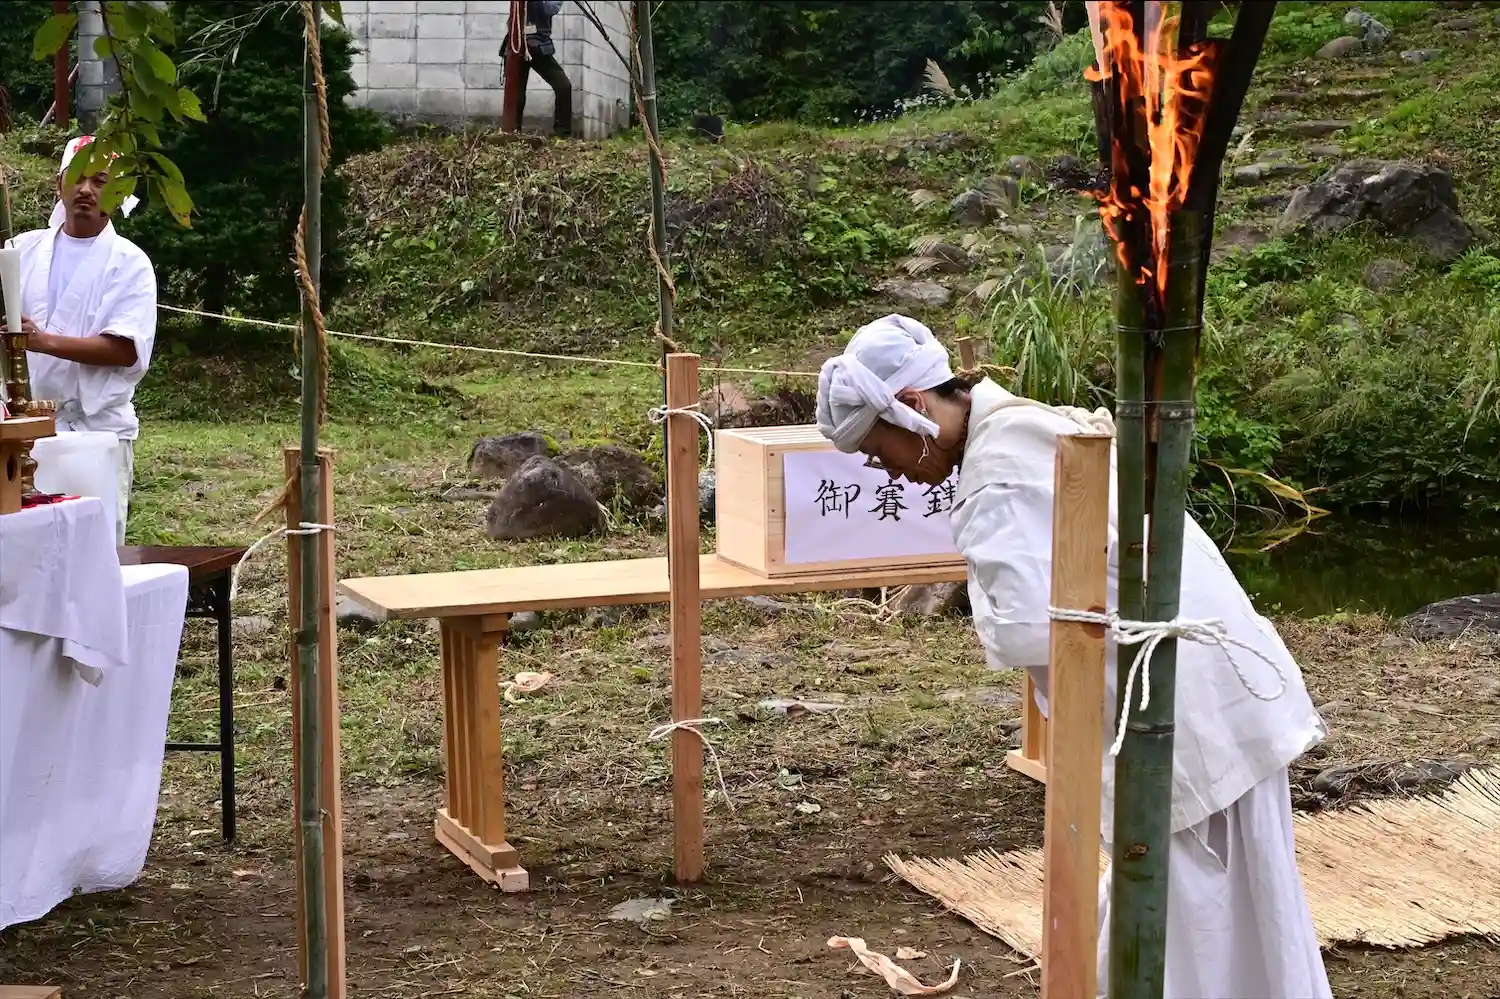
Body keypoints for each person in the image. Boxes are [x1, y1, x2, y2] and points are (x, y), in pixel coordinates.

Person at [815, 314, 1332, 999]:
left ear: (913, 408)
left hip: (1185, 704)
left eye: (879, 451)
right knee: (1218, 908)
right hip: (1199, 685)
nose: (887, 471)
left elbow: (1028, 631)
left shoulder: (998, 470)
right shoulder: (1022, 424)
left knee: (1201, 914)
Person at [2, 135, 156, 545]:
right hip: (24, 430)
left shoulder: (129, 263)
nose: (86, 190)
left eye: (100, 181)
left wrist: (43, 341)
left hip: (95, 429)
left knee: (92, 549)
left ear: (117, 192)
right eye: (77, 178)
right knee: (25, 549)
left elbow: (125, 349)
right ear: (59, 184)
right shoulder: (21, 250)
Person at [514, 0, 572, 138]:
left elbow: (549, 9)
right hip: (516, 43)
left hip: (539, 45)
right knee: (516, 92)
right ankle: (513, 131)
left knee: (563, 86)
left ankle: (562, 134)